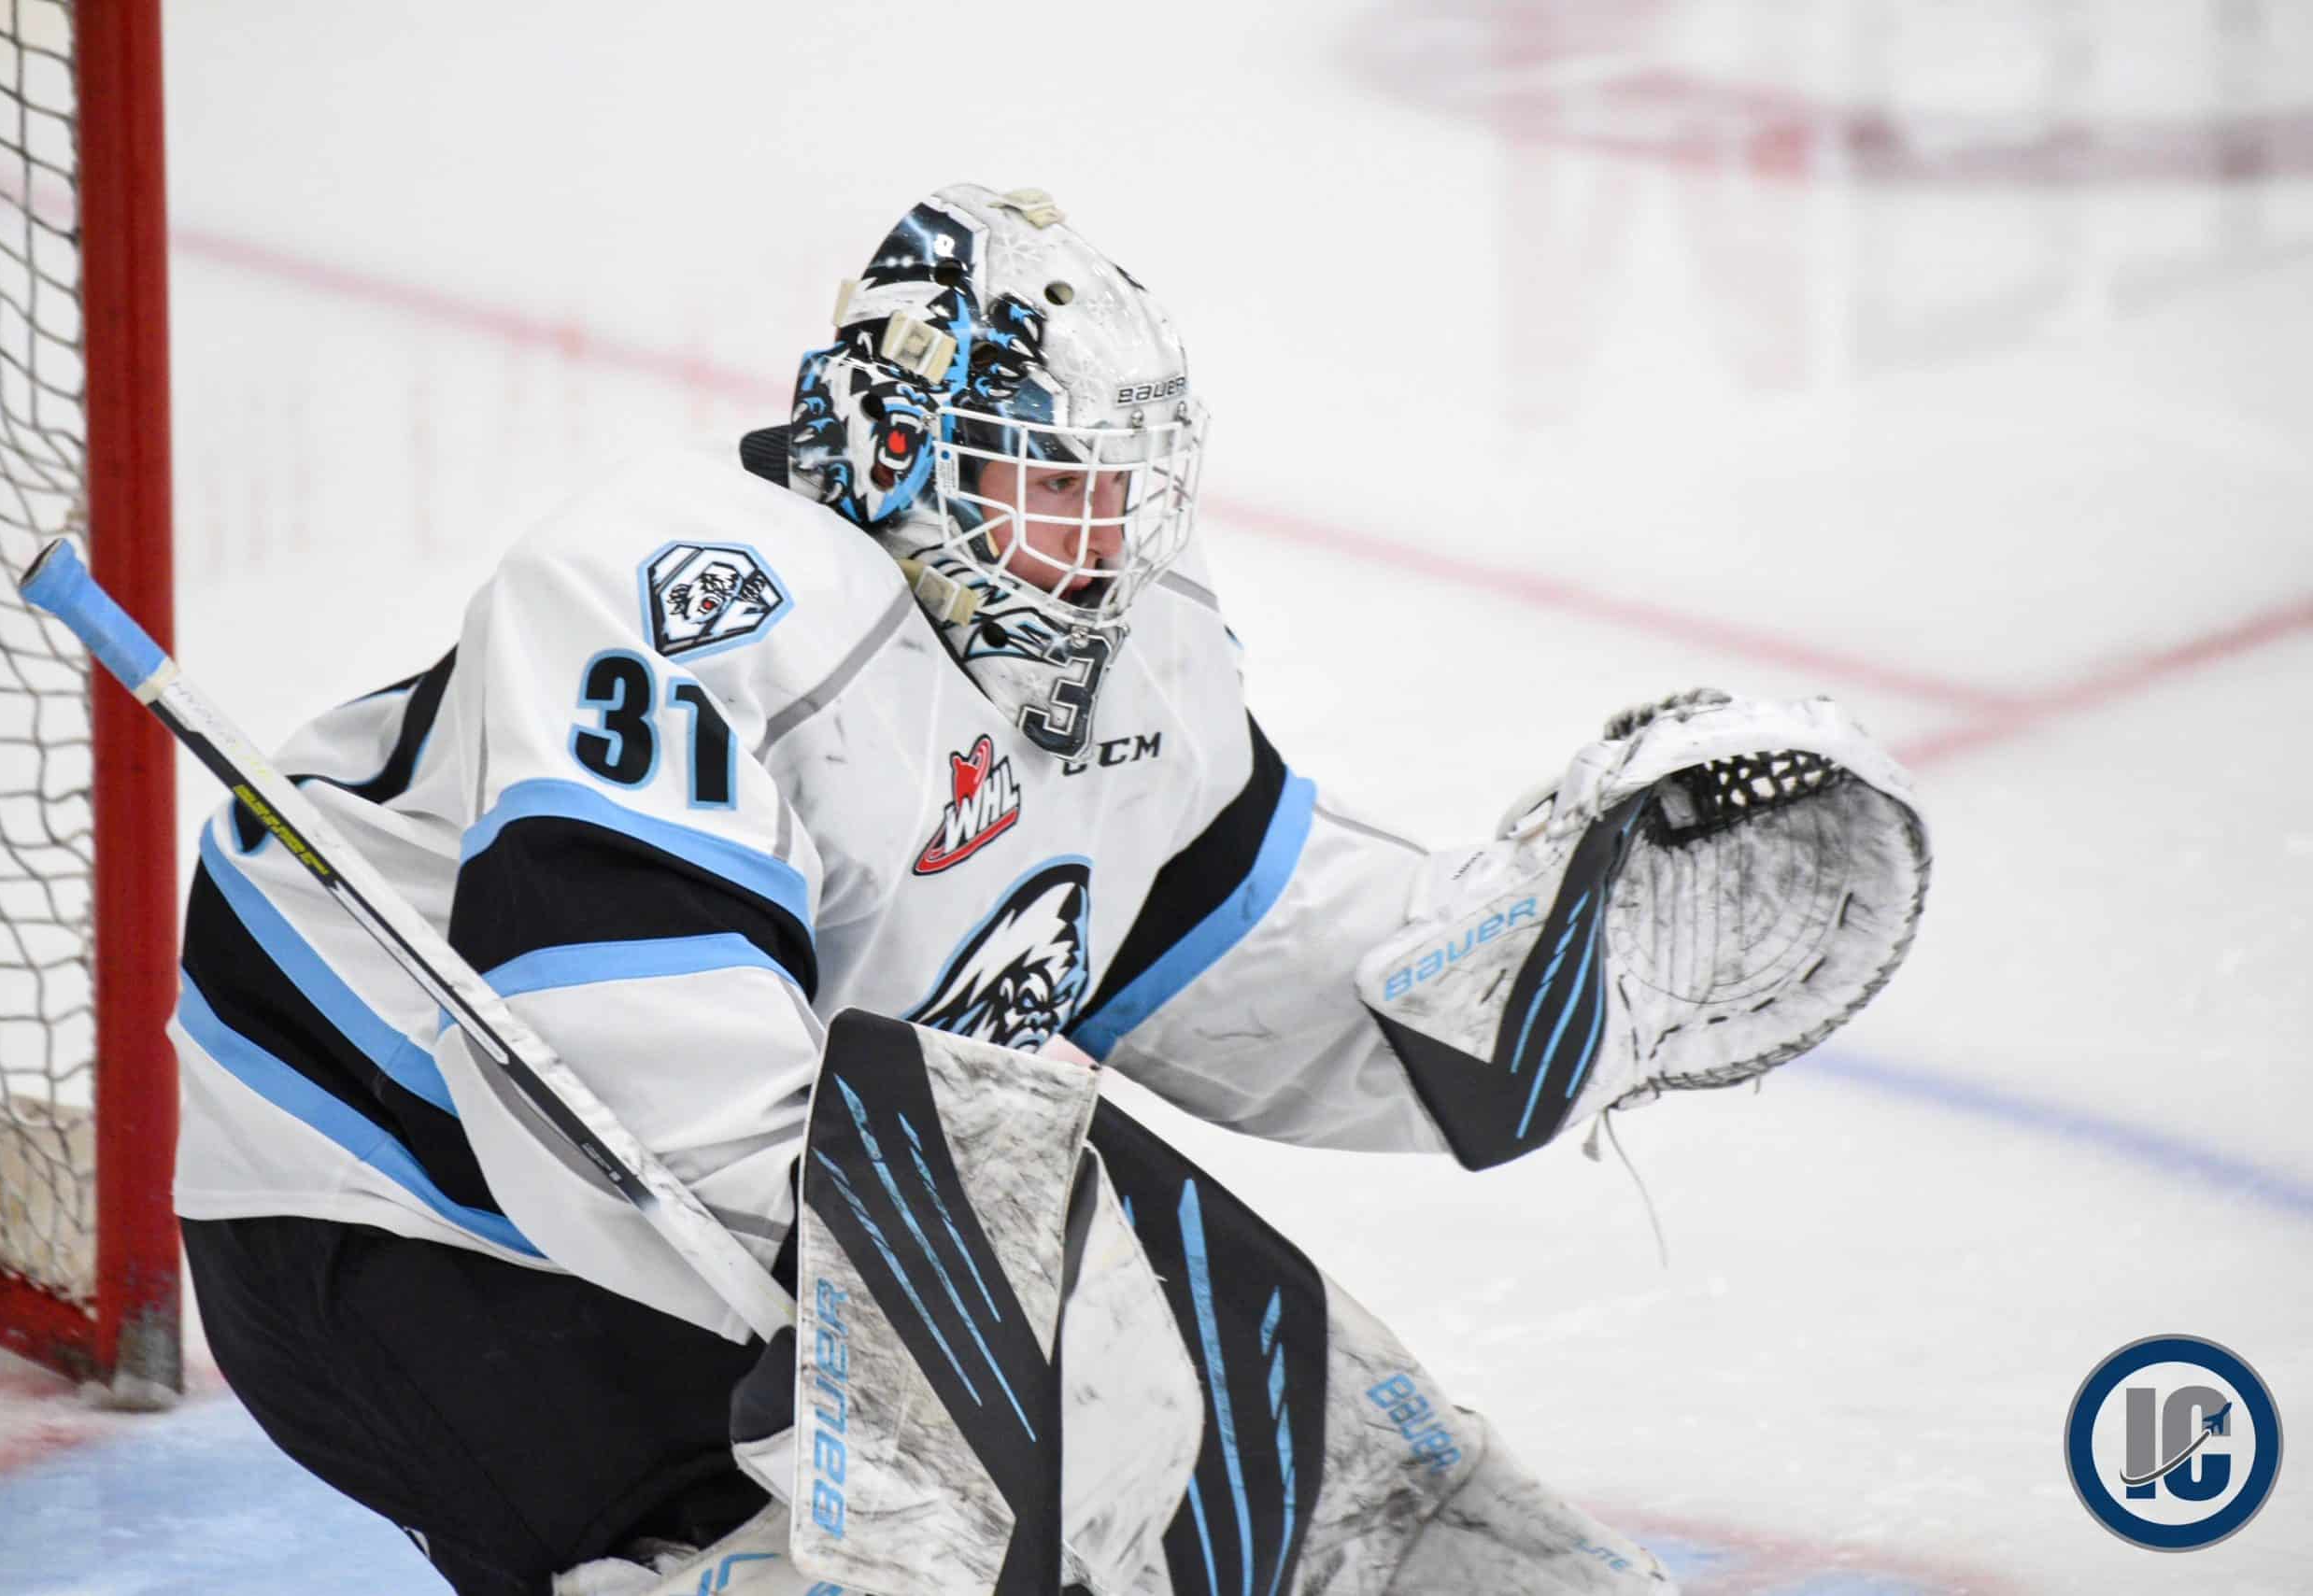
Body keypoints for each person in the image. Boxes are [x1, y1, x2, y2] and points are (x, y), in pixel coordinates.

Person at [171, 183, 1926, 1596]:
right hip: (389, 1222)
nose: (1097, 553)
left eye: (1118, 496)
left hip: (732, 1214)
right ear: (894, 445)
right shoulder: (685, 592)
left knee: (1204, 1391)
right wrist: (1017, 1384)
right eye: (1045, 492)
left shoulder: (1124, 655)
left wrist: (1521, 986)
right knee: (1008, 1380)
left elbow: (1225, 941)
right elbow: (629, 1082)